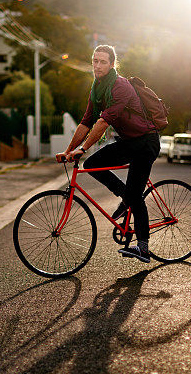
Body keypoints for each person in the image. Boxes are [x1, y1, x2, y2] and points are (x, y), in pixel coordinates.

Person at [55, 45, 161, 263]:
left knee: (134, 195)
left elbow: (103, 121)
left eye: (103, 61)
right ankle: (127, 197)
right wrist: (68, 151)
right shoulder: (97, 88)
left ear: (112, 65)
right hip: (129, 142)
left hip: (145, 143)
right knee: (92, 164)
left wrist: (82, 149)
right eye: (95, 61)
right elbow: (86, 121)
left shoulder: (119, 86)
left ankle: (143, 247)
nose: (98, 65)